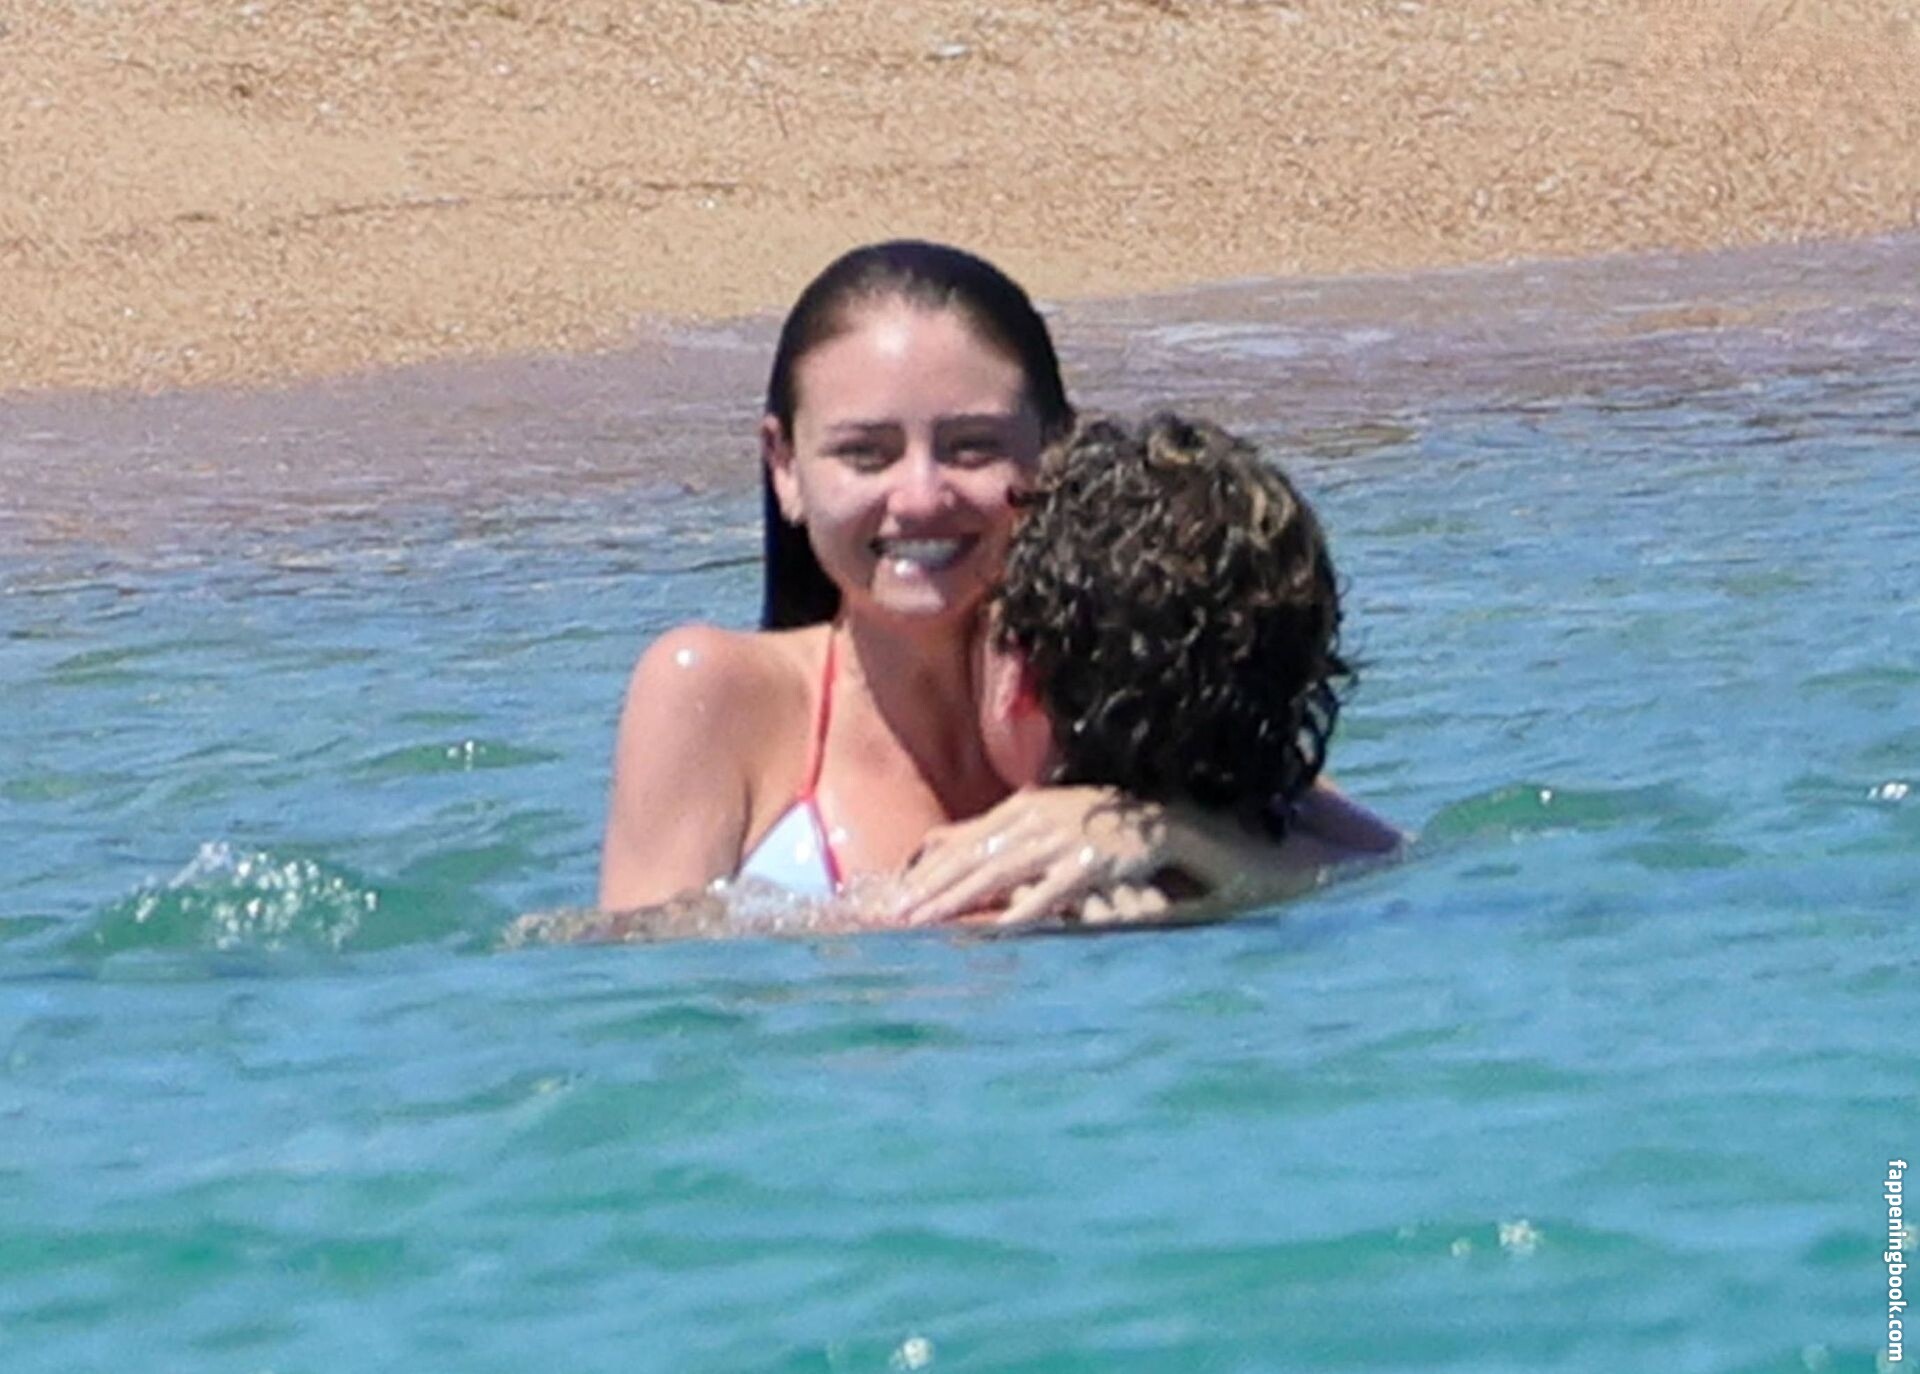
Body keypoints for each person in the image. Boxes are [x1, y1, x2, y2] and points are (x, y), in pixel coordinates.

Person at [595, 239, 1396, 928]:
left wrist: (1162, 831)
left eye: (972, 447)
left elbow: (1394, 870)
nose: (920, 497)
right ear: (785, 468)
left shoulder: (1127, 685)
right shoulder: (718, 691)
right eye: (865, 453)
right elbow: (639, 973)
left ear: (1057, 448)